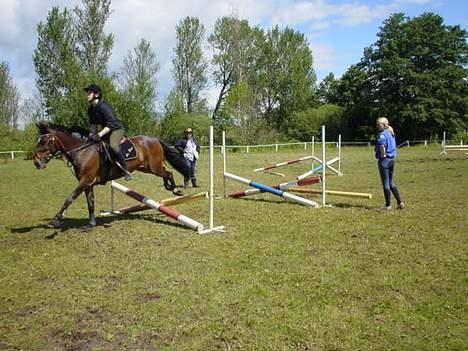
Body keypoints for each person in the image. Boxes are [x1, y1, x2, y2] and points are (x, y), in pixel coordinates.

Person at [84, 83, 133, 181]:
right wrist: (91, 136)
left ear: (96, 94)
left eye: (89, 93)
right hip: (106, 131)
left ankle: (126, 170)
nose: (87, 95)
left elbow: (111, 123)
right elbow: (93, 125)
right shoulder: (91, 109)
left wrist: (99, 134)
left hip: (116, 129)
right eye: (87, 93)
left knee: (113, 146)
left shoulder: (103, 106)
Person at [375, 117, 404, 210]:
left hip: (384, 161)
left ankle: (388, 205)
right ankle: (400, 202)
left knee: (386, 183)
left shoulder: (382, 135)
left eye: (378, 124)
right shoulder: (391, 133)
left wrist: (382, 156)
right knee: (391, 182)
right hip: (392, 160)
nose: (377, 126)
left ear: (384, 125)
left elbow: (382, 146)